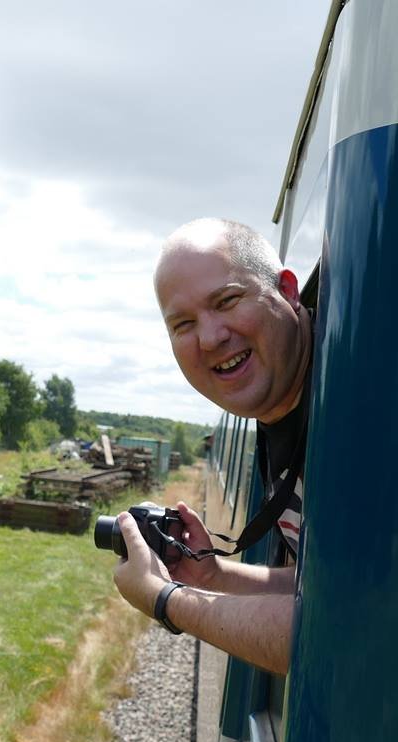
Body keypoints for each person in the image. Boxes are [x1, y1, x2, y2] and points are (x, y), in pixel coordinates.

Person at [111, 218, 312, 675]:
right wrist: (213, 576)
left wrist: (169, 600)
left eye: (227, 301)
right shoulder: (279, 412)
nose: (210, 338)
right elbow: (323, 585)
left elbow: (340, 632)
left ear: (287, 291)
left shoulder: (352, 403)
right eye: (183, 325)